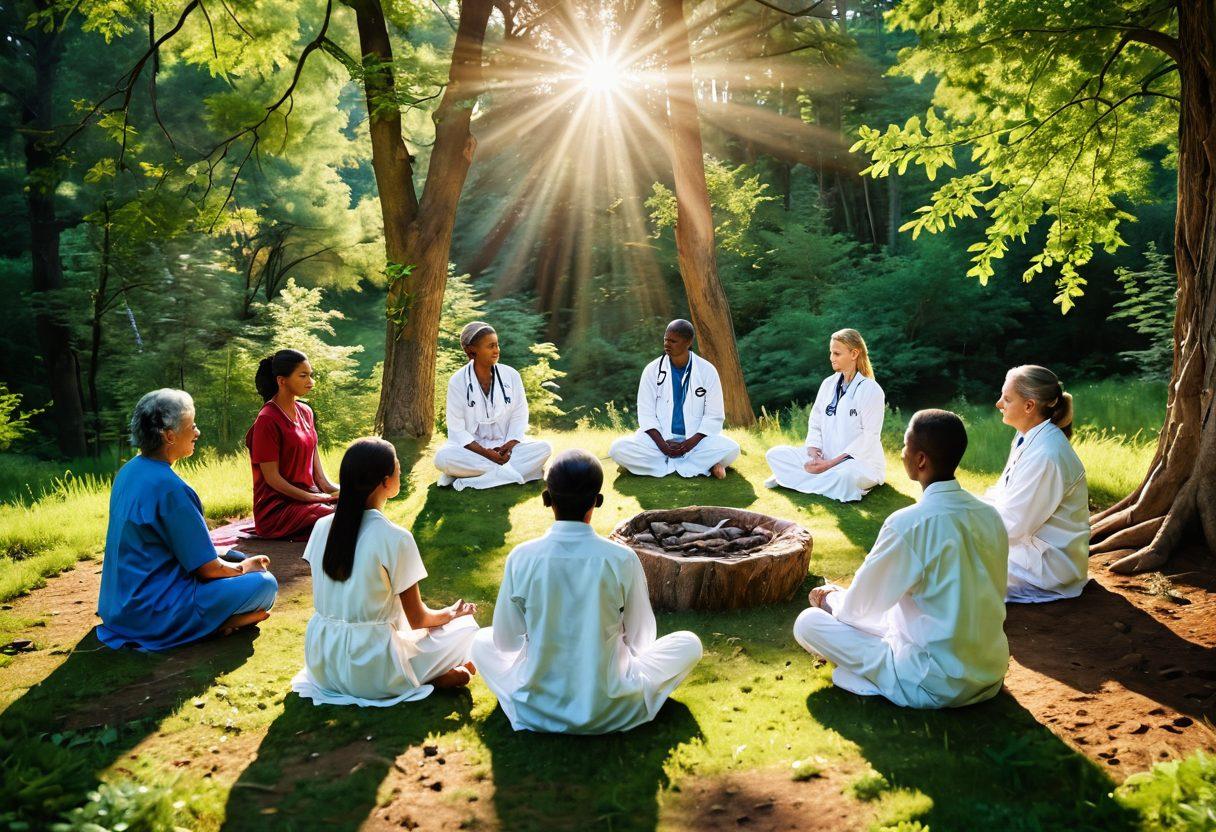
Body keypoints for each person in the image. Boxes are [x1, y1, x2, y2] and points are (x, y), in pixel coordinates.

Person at [471, 449, 703, 733]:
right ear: (598, 501)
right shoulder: (621, 559)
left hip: (536, 708)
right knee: (690, 643)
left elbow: (505, 642)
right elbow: (643, 641)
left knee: (480, 642)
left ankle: (533, 696)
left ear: (547, 499)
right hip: (610, 708)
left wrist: (542, 640)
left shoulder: (522, 557)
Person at [793, 410, 1010, 709]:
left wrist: (828, 598)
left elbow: (858, 610)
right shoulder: (990, 515)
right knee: (887, 615)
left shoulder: (909, 523)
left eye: (906, 446)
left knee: (808, 623)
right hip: (988, 674)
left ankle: (876, 681)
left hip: (934, 681)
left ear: (921, 460)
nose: (901, 452)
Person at [292, 437, 480, 706]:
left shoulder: (321, 527)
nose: (400, 472)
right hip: (373, 666)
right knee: (466, 627)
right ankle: (426, 676)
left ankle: (429, 674)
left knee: (403, 629)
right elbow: (418, 619)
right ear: (384, 481)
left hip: (323, 662)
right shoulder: (395, 538)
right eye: (398, 468)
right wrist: (451, 613)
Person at [97, 389, 278, 651]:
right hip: (153, 612)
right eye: (192, 426)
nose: (197, 432)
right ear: (169, 436)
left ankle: (225, 620)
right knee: (265, 584)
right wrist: (246, 568)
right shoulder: (172, 489)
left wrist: (230, 557)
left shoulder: (128, 472)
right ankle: (216, 624)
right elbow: (209, 570)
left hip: (118, 608)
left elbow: (165, 545)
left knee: (232, 553)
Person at [984, 365, 1089, 603]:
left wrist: (960, 527)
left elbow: (1013, 525)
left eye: (1007, 399)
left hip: (1045, 568)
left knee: (948, 570)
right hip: (1024, 549)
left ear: (1029, 406)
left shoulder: (1047, 455)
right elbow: (1003, 494)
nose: (999, 404)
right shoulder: (1027, 437)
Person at [609, 319, 740, 479]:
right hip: (659, 440)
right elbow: (646, 414)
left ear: (688, 342)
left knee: (732, 448)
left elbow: (714, 416)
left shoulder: (707, 371)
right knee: (617, 449)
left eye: (673, 341)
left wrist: (689, 444)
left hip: (695, 442)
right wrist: (663, 445)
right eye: (665, 339)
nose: (667, 344)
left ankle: (662, 464)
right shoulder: (652, 370)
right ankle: (705, 465)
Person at [766, 328, 886, 502]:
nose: (831, 358)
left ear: (854, 353)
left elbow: (870, 438)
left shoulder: (871, 390)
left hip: (856, 463)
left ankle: (791, 479)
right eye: (831, 352)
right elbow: (815, 422)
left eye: (837, 353)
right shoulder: (828, 384)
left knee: (845, 477)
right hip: (825, 457)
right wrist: (815, 454)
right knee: (774, 454)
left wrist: (830, 464)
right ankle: (809, 479)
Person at [434, 322, 553, 491]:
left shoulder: (511, 375)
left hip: (506, 448)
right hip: (473, 450)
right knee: (442, 458)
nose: (497, 350)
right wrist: (487, 453)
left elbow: (520, 414)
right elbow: (457, 430)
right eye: (491, 346)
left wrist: (509, 445)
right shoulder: (457, 381)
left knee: (545, 448)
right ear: (471, 351)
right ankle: (510, 474)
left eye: (497, 345)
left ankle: (474, 478)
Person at [245, 349, 339, 539]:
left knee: (361, 507)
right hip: (278, 510)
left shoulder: (306, 412)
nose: (311, 382)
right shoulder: (267, 419)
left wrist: (345, 492)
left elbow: (320, 478)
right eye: (303, 376)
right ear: (282, 381)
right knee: (342, 517)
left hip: (309, 501)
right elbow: (272, 479)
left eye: (310, 375)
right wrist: (316, 498)